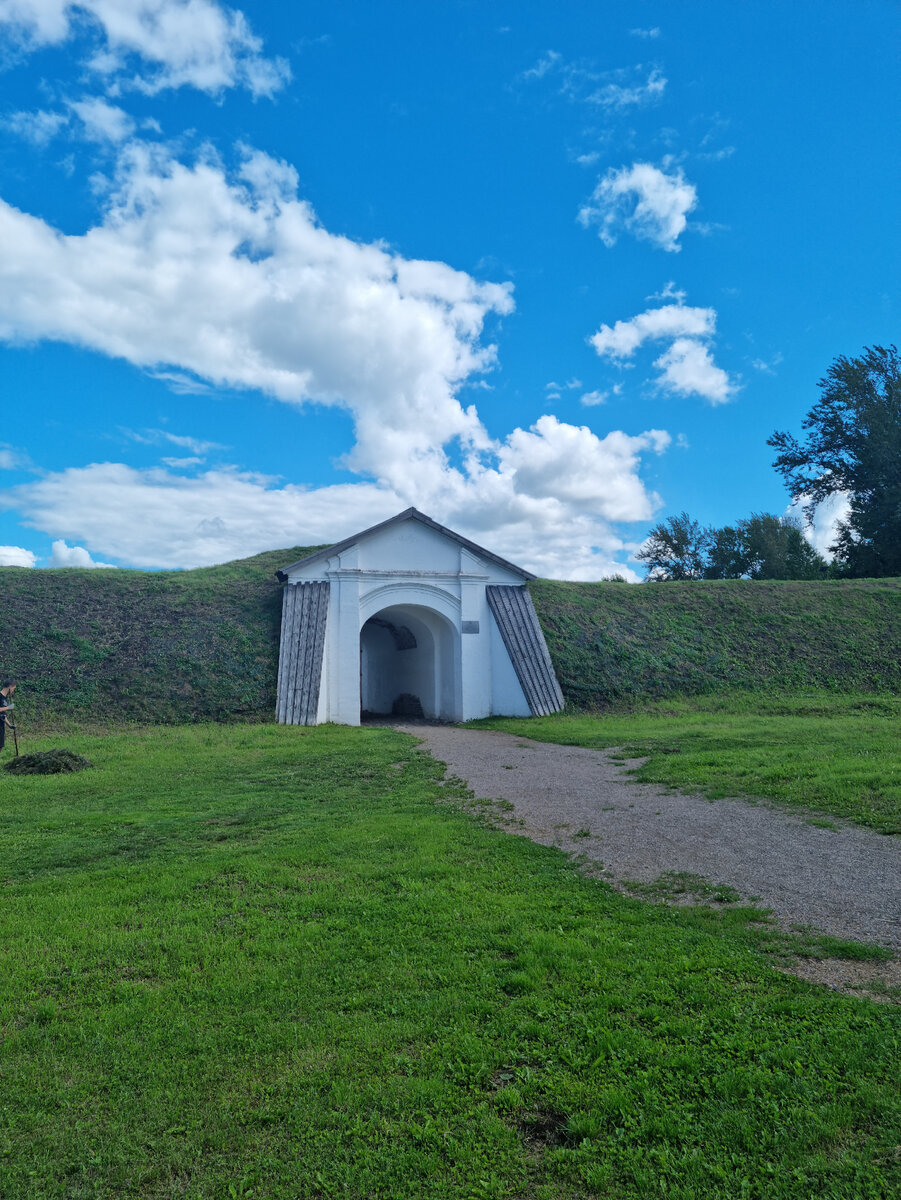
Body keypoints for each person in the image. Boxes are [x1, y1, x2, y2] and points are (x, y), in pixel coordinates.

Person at [0, 680, 16, 753]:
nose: (13, 691)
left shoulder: (4, 698)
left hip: (1, 724)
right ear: (10, 686)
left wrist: (9, 725)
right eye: (13, 689)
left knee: (0, 745)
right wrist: (8, 708)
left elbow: (3, 714)